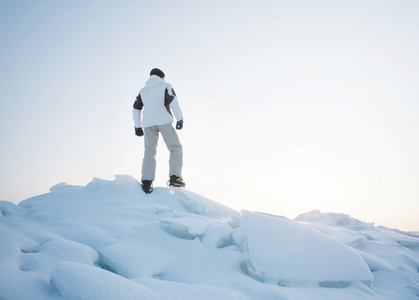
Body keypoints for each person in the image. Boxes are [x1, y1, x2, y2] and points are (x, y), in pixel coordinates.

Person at [132, 68, 185, 194]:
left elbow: (135, 109)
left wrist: (137, 126)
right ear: (162, 77)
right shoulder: (165, 86)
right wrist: (180, 119)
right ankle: (175, 178)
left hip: (148, 125)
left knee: (149, 153)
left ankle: (146, 182)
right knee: (175, 148)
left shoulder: (143, 91)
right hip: (164, 121)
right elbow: (173, 102)